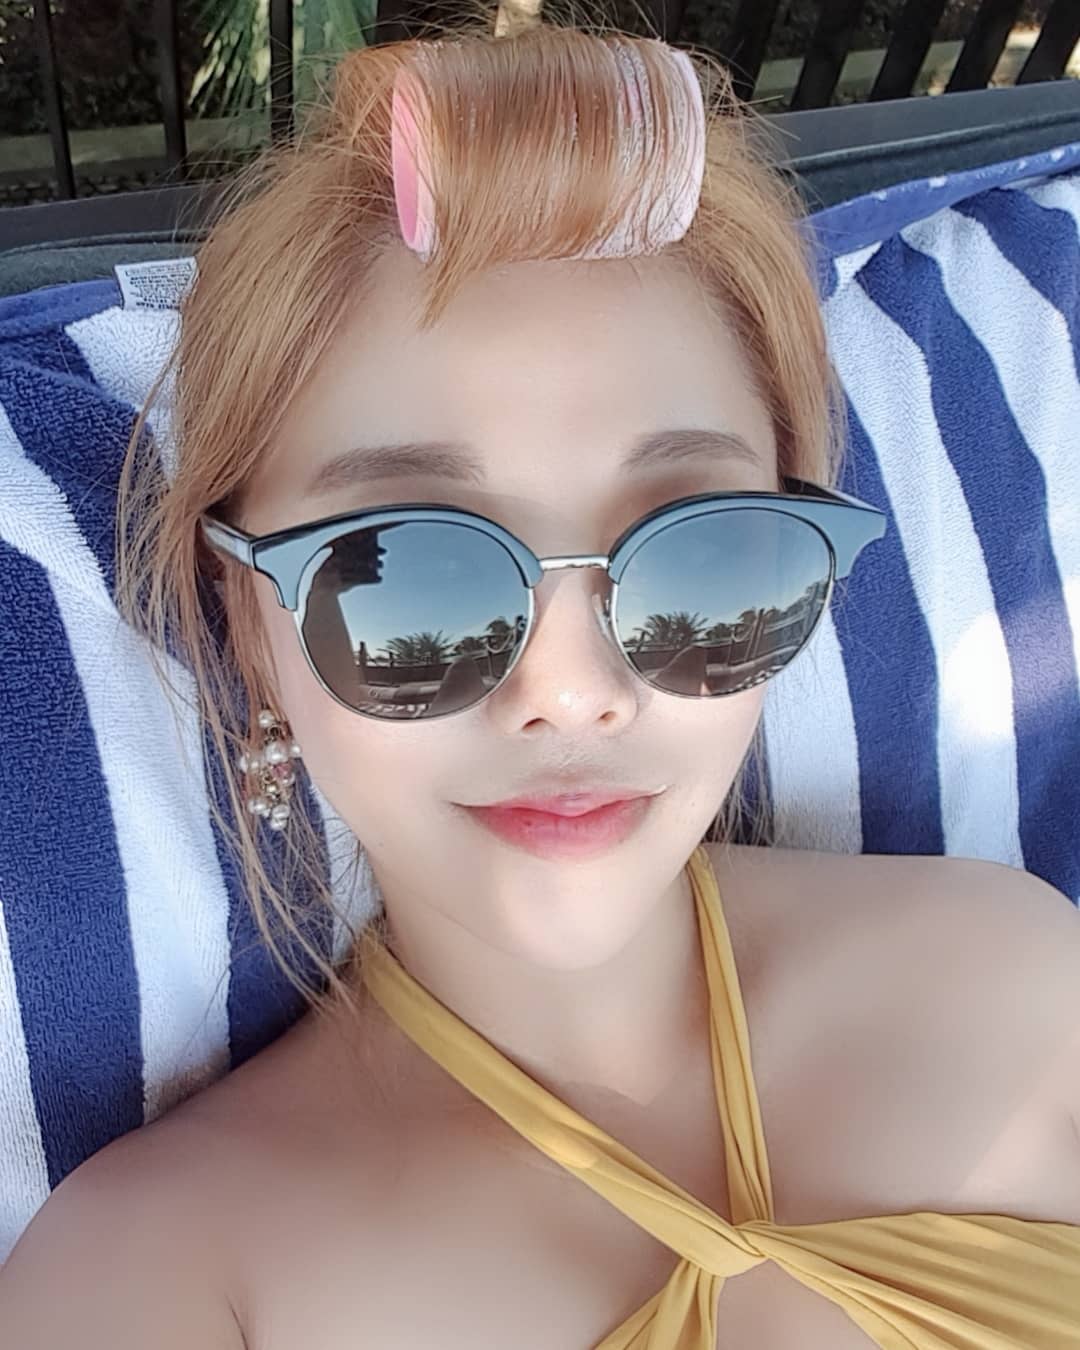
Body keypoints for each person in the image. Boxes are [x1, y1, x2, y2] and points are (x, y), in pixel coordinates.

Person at [2, 14, 1080, 1349]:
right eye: (407, 572)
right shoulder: (158, 1278)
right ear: (250, 620)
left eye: (702, 549)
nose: (573, 693)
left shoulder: (1015, 972)